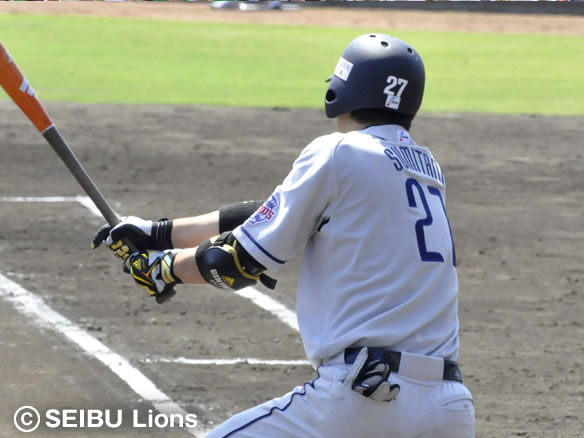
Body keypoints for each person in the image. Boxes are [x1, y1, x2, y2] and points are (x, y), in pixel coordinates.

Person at [93, 33, 475, 438]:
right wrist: (159, 233)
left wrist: (164, 269)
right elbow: (277, 212)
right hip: (449, 408)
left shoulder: (338, 152)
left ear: (342, 89)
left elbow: (234, 262)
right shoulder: (425, 168)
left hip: (364, 401)